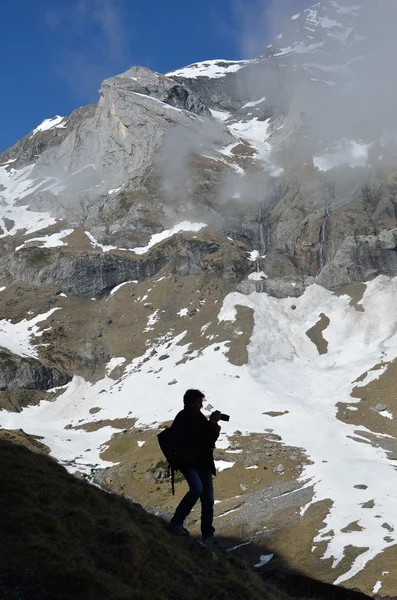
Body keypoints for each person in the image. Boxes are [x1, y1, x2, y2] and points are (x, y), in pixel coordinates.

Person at [169, 389, 221, 542]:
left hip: (203, 464)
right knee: (197, 489)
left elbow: (207, 441)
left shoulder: (197, 417)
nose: (201, 406)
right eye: (199, 403)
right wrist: (211, 424)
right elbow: (197, 438)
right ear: (190, 403)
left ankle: (208, 534)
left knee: (208, 499)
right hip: (190, 463)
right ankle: (176, 522)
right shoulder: (184, 417)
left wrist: (214, 429)